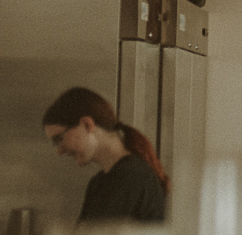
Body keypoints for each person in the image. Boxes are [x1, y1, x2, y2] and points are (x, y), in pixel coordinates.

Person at [42, 86, 169, 223]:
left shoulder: (131, 177)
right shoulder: (99, 182)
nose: (59, 151)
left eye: (59, 139)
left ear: (87, 125)